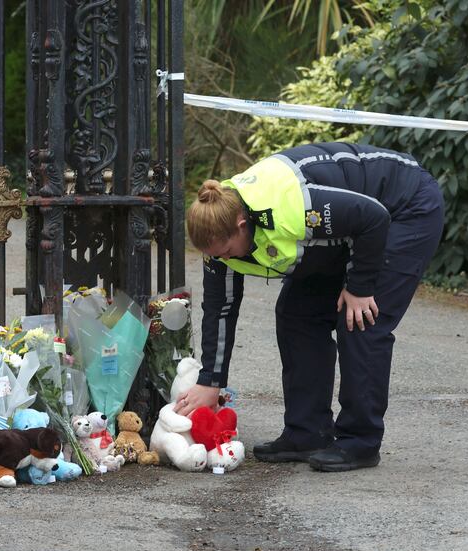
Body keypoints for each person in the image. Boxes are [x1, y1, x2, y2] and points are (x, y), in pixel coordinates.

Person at [175, 142, 444, 472]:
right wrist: (210, 381)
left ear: (242, 225)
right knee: (296, 315)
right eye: (215, 255)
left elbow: (373, 217)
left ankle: (360, 441)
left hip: (404, 205)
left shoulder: (294, 207)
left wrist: (359, 288)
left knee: (359, 320)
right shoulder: (219, 236)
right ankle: (308, 432)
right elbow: (220, 308)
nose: (223, 260)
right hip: (351, 230)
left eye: (227, 251)